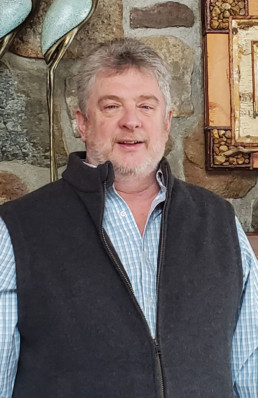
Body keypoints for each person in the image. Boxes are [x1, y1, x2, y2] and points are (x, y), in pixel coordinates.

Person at [0, 38, 257, 398]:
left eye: (146, 106)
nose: (131, 121)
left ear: (167, 123)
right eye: (111, 106)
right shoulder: (18, 229)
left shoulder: (219, 222)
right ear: (82, 123)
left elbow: (250, 368)